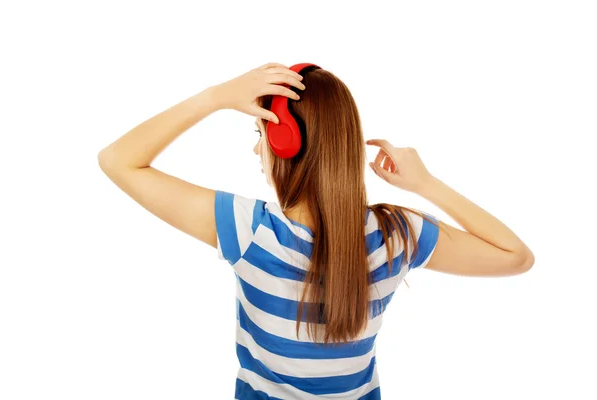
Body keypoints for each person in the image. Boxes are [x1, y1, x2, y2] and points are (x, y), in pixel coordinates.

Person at [98, 62, 534, 399]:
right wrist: (425, 184)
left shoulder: (250, 231)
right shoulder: (394, 234)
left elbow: (117, 160)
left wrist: (215, 97)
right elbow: (516, 257)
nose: (256, 147)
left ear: (286, 144)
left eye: (260, 132)